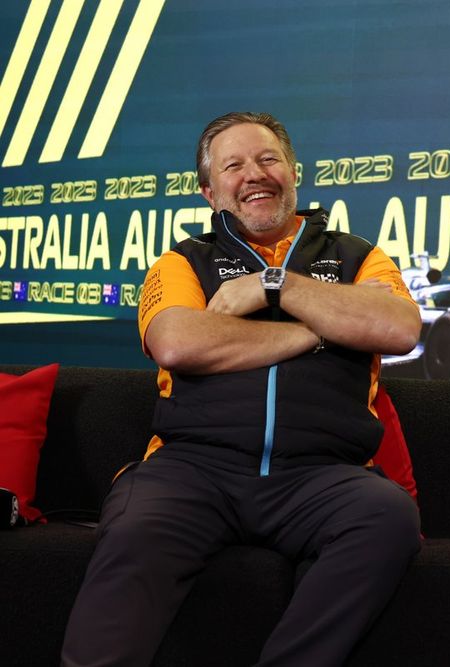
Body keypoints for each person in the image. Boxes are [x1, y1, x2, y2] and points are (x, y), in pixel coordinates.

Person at [61, 112, 423, 666]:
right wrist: (320, 329)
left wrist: (272, 285)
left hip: (322, 474)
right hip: (192, 469)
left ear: (294, 173)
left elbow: (398, 328)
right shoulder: (184, 262)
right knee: (134, 526)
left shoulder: (357, 256)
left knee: (387, 514)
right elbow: (179, 343)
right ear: (210, 192)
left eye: (268, 159)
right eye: (233, 166)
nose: (255, 174)